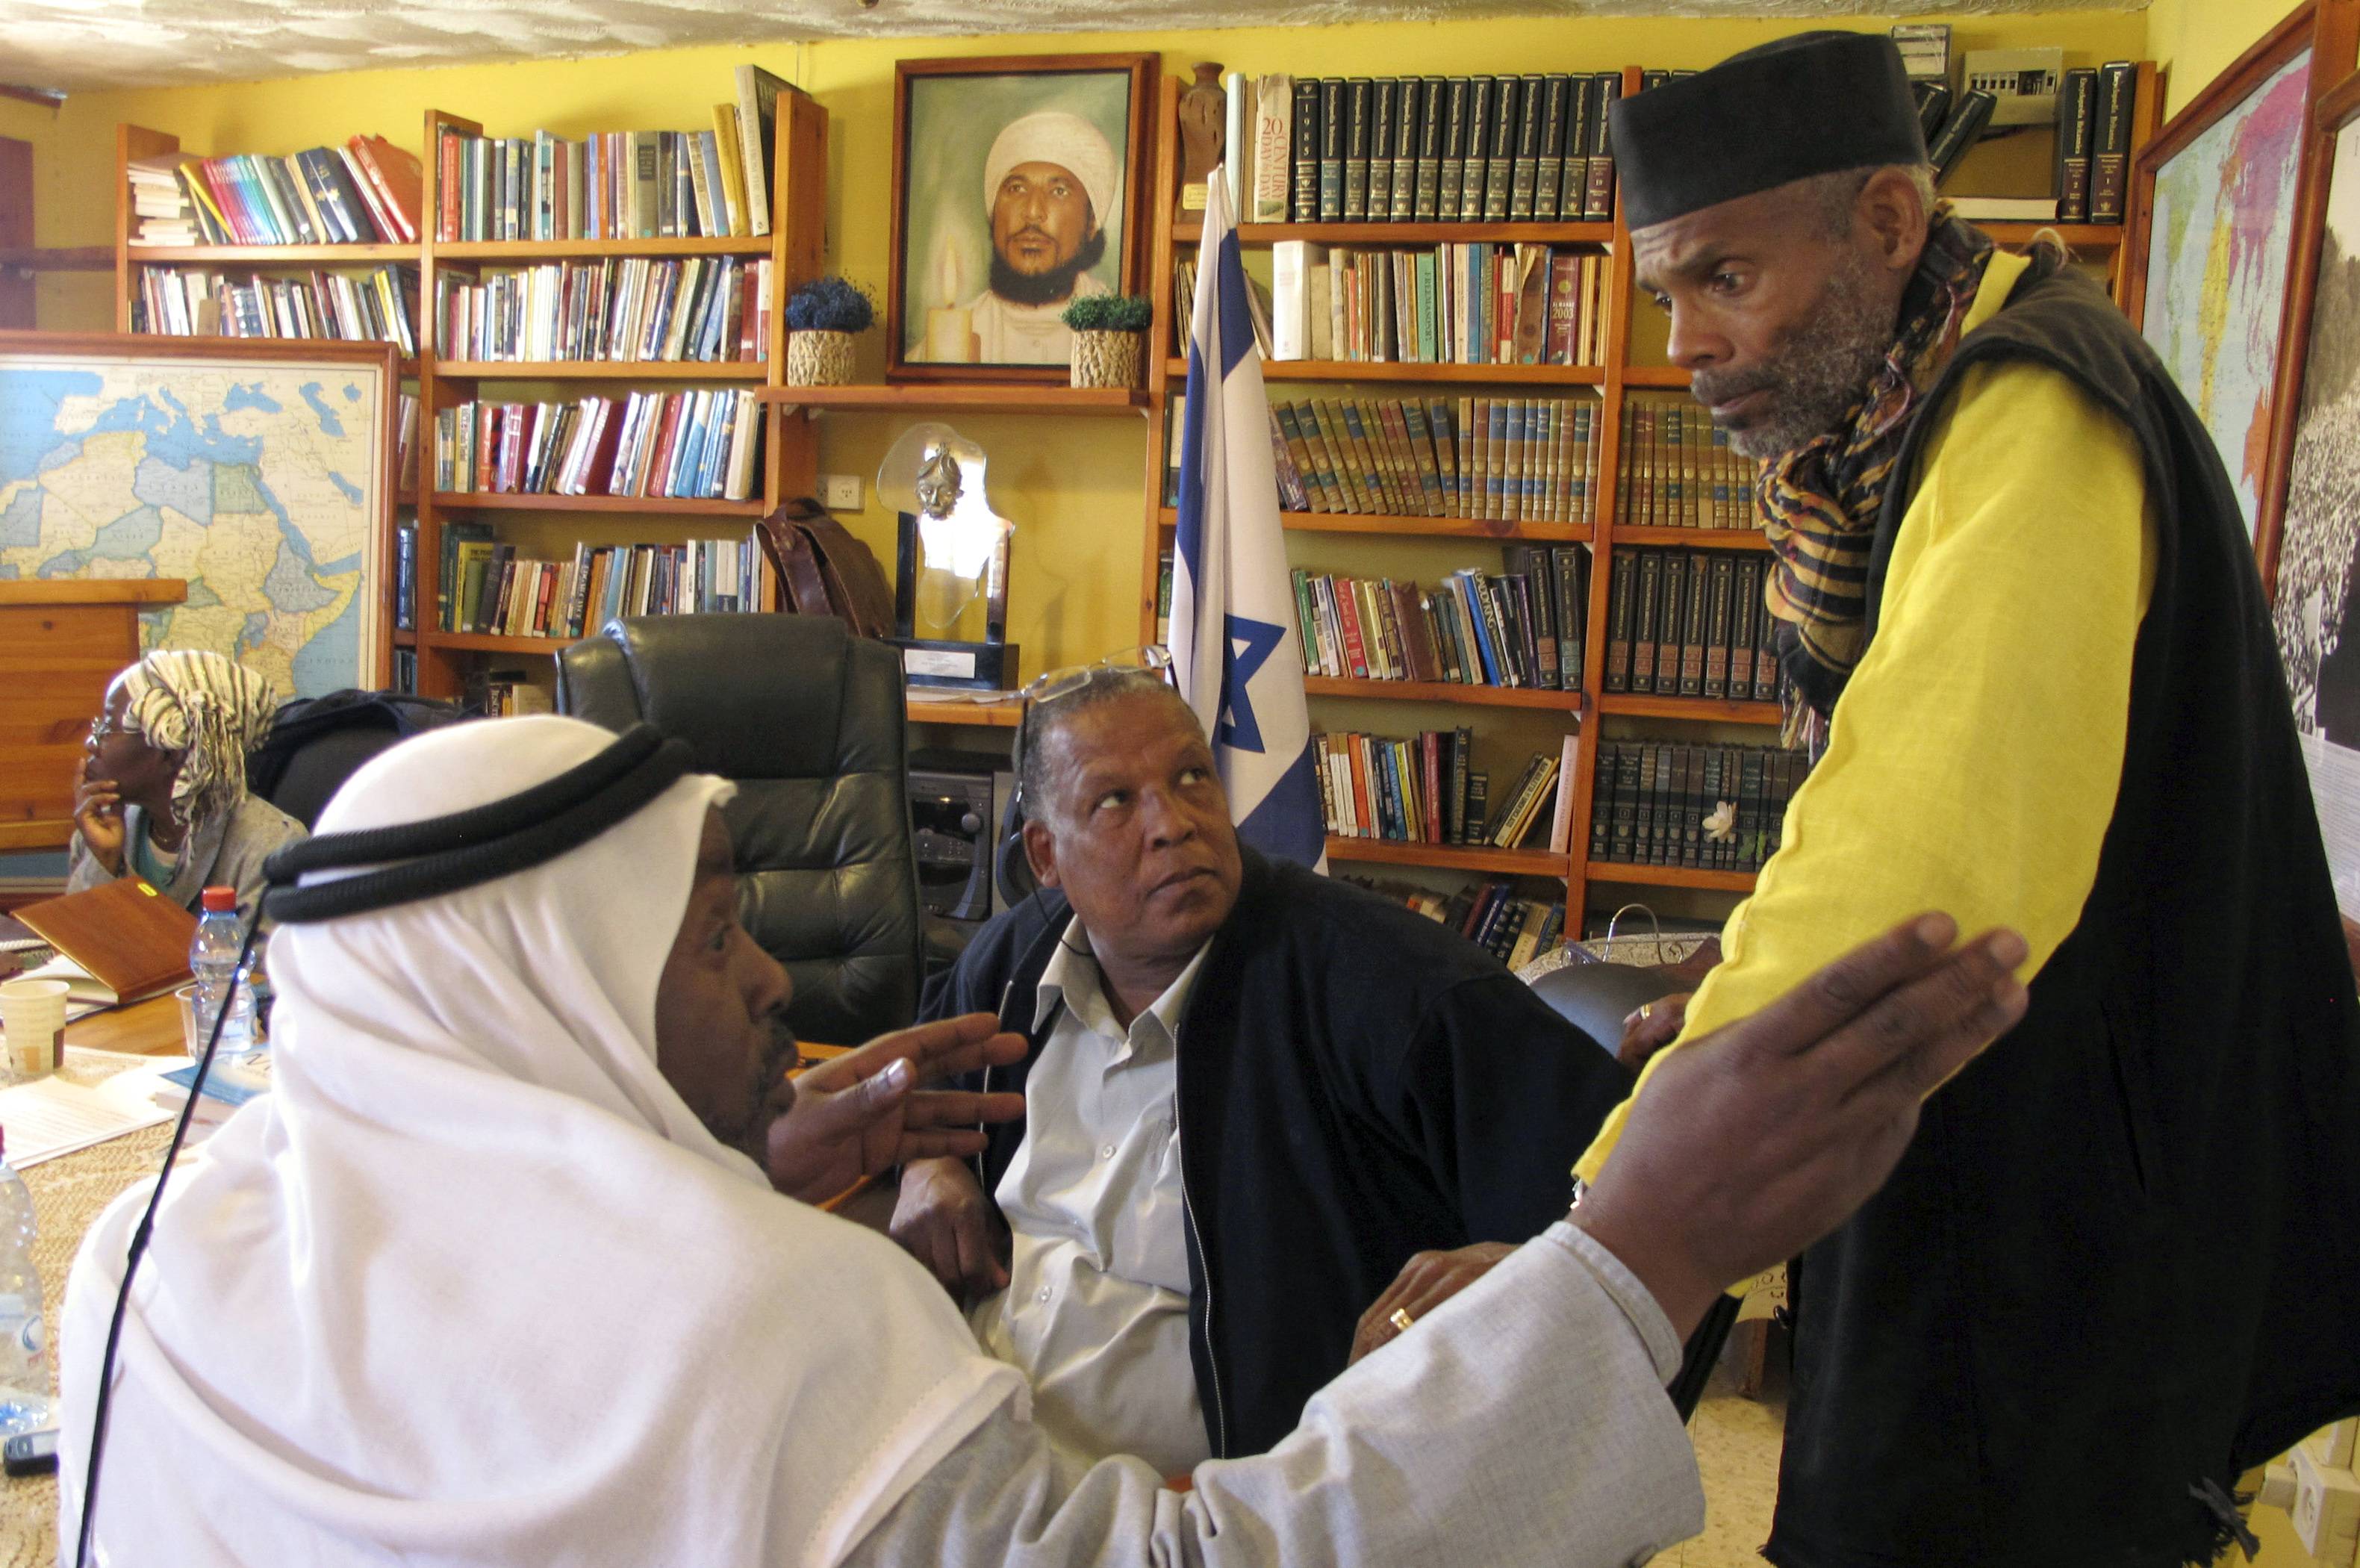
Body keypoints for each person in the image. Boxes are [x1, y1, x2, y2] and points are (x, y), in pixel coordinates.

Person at [57, 712, 2031, 1567]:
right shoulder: (762, 1321)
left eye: (1201, 778)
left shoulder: (149, 1250)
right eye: (719, 927)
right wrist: (1649, 1244)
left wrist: (737, 1170)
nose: (776, 980)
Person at [1551, 31, 2360, 1568]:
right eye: (1666, 293)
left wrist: (1621, 1210)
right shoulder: (1892, 427)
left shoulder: (2029, 410)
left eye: (1723, 278)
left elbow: (1912, 863)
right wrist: (1735, 983)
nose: (1685, 346)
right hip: (2002, 1142)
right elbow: (1872, 776)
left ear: (1882, 225)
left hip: (2052, 1214)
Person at [894, 665, 1637, 1472]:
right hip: (976, 1458)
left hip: (1205, 1513)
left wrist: (1511, 1277)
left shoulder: (1383, 985)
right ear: (1046, 855)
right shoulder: (1014, 959)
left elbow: (1623, 1190)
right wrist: (930, 1161)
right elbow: (920, 1073)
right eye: (1115, 801)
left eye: (1190, 778)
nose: (1171, 824)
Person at [66, 649, 306, 915]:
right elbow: (71, 946)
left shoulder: (270, 847)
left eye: (107, 729)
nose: (91, 742)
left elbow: (261, 956)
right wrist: (104, 861)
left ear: (171, 754)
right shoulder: (103, 827)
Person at [967, 110, 1115, 364]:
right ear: (993, 215)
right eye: (1017, 189)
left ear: (1091, 223)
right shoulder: (948, 339)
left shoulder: (1119, 334)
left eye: (1058, 191)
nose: (1033, 213)